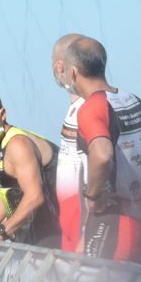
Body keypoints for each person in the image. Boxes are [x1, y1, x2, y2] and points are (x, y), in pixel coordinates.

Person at [62, 37, 141, 263]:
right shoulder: (136, 102)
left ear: (72, 73)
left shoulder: (91, 108)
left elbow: (102, 155)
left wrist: (92, 196)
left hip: (112, 223)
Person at [0, 86, 62, 247]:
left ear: (2, 114)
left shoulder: (17, 144)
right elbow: (5, 194)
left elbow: (35, 196)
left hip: (56, 226)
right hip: (32, 227)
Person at [51, 32, 85, 252]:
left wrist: (86, 235)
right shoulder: (77, 108)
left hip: (82, 237)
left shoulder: (86, 110)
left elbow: (98, 175)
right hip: (71, 229)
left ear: (60, 68)